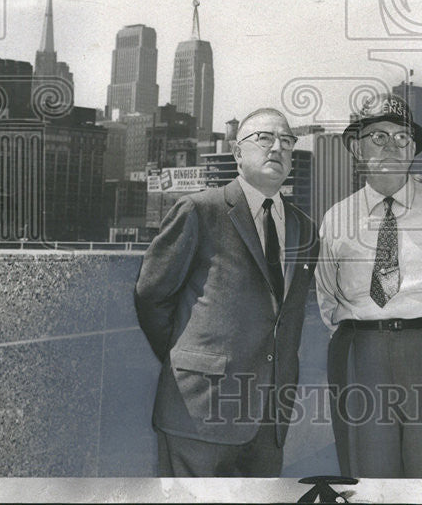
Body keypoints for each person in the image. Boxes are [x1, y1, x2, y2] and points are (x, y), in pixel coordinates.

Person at [134, 108, 318, 476]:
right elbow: (151, 295)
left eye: (286, 141)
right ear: (237, 153)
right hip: (199, 413)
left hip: (269, 419)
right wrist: (191, 363)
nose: (277, 149)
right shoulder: (201, 210)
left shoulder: (304, 228)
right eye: (264, 138)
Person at [316, 93, 422, 478]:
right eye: (378, 136)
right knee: (366, 477)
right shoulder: (336, 217)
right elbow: (327, 295)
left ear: (413, 150)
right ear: (356, 148)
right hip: (361, 353)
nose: (391, 146)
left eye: (402, 137)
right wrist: (365, 336)